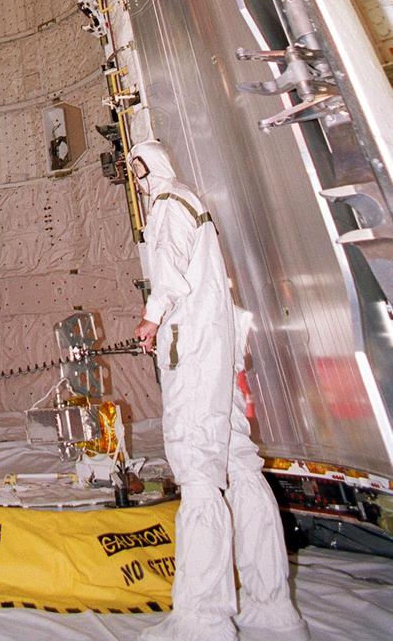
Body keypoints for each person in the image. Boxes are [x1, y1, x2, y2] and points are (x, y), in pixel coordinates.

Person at [130, 140, 308, 641]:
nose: (138, 184)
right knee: (240, 466)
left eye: (138, 173)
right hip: (220, 350)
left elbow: (169, 271)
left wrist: (150, 319)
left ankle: (202, 620)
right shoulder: (195, 201)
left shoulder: (167, 204)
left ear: (149, 170)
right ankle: (272, 610)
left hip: (193, 353)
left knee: (199, 473)